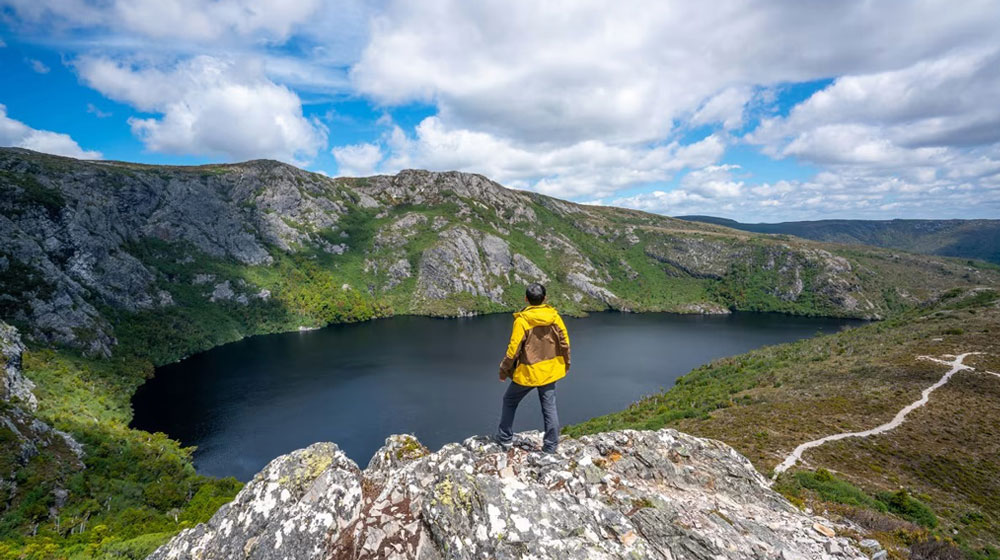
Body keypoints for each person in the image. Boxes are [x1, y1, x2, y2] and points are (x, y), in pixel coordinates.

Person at [494, 283, 570, 453]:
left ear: (526, 299)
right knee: (549, 407)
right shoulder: (554, 317)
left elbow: (513, 350)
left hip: (528, 371)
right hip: (549, 370)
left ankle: (505, 438)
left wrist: (504, 370)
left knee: (510, 400)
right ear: (545, 298)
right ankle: (550, 446)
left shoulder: (522, 321)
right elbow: (565, 342)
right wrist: (565, 363)